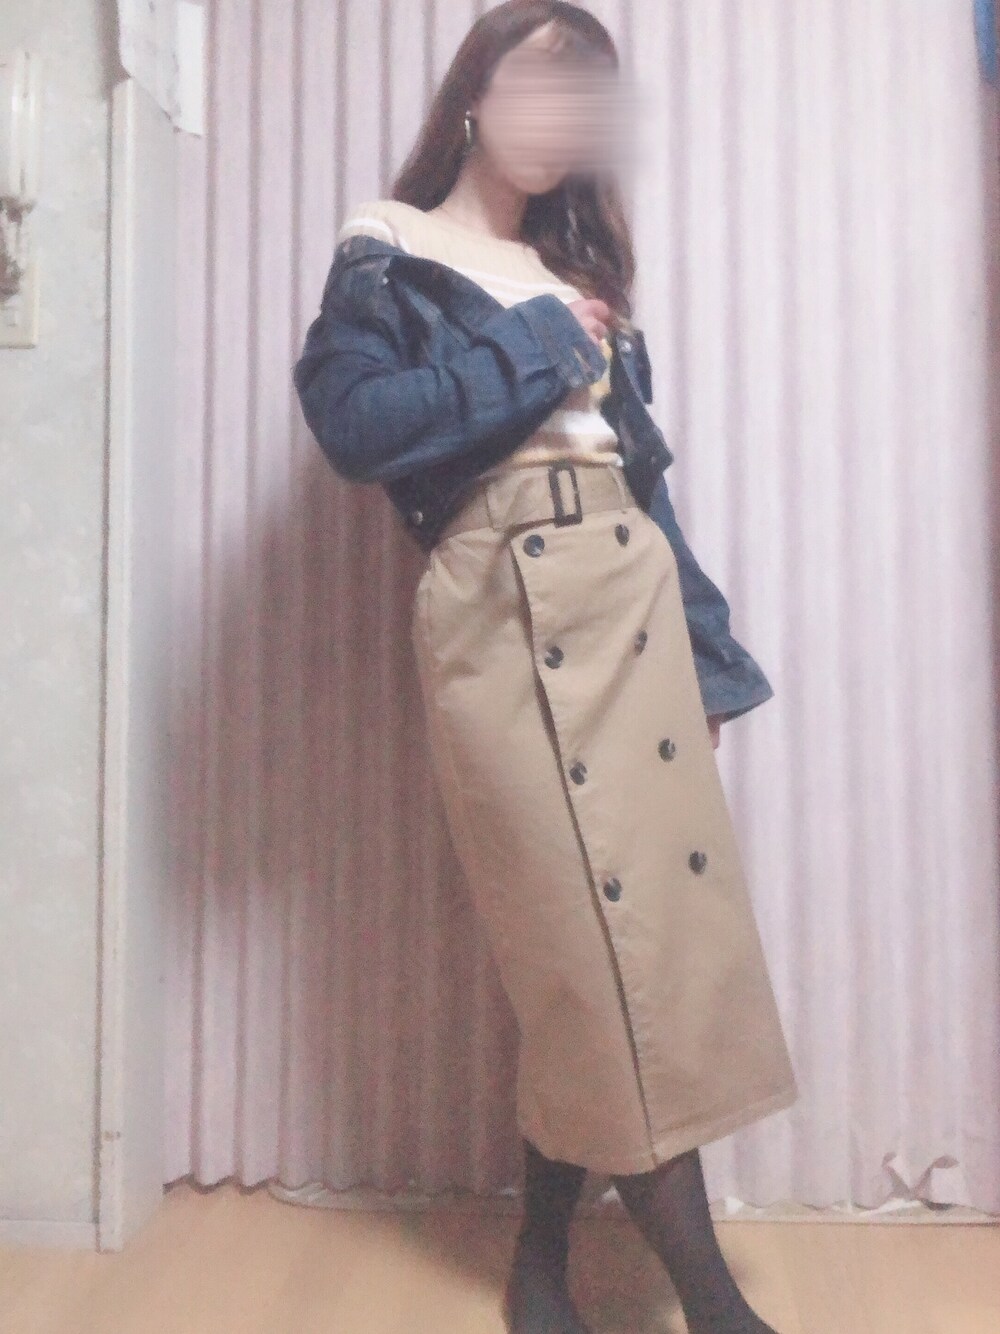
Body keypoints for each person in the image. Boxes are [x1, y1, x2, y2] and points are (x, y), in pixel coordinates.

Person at [294, 4, 799, 1331]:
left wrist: (705, 661)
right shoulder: (392, 244)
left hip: (629, 608)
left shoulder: (582, 275)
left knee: (640, 948)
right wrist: (539, 344)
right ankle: (711, 1299)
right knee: (580, 936)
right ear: (474, 94)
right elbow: (355, 425)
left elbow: (643, 486)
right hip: (500, 609)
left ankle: (538, 1254)